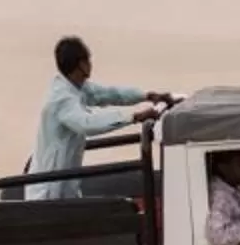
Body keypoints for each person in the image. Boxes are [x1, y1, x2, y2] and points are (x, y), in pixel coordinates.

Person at [28, 36, 167, 198]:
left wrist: (147, 96)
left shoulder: (77, 88)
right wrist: (134, 117)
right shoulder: (61, 98)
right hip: (48, 190)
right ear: (81, 64)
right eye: (88, 60)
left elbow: (110, 94)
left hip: (66, 185)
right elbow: (87, 124)